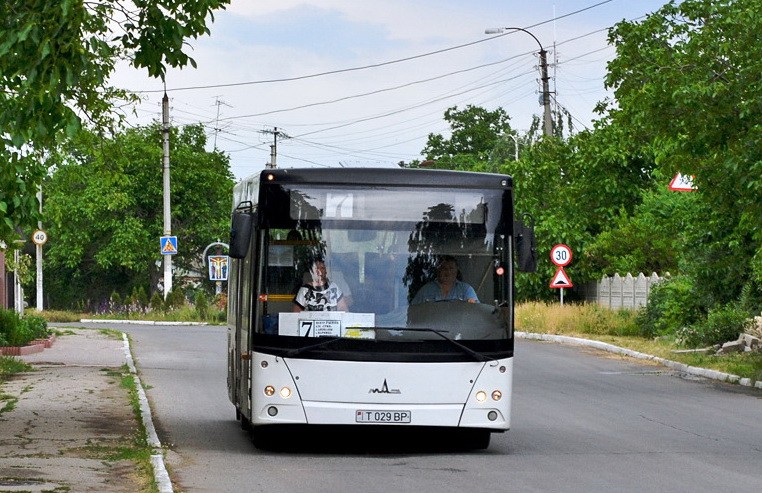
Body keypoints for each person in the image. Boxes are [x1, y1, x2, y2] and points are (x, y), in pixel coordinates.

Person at [411, 255, 478, 304]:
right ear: (438, 270)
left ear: (457, 270)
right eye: (444, 268)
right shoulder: (426, 290)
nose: (448, 272)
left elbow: (476, 312)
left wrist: (472, 304)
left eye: (451, 268)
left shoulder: (466, 290)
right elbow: (412, 311)